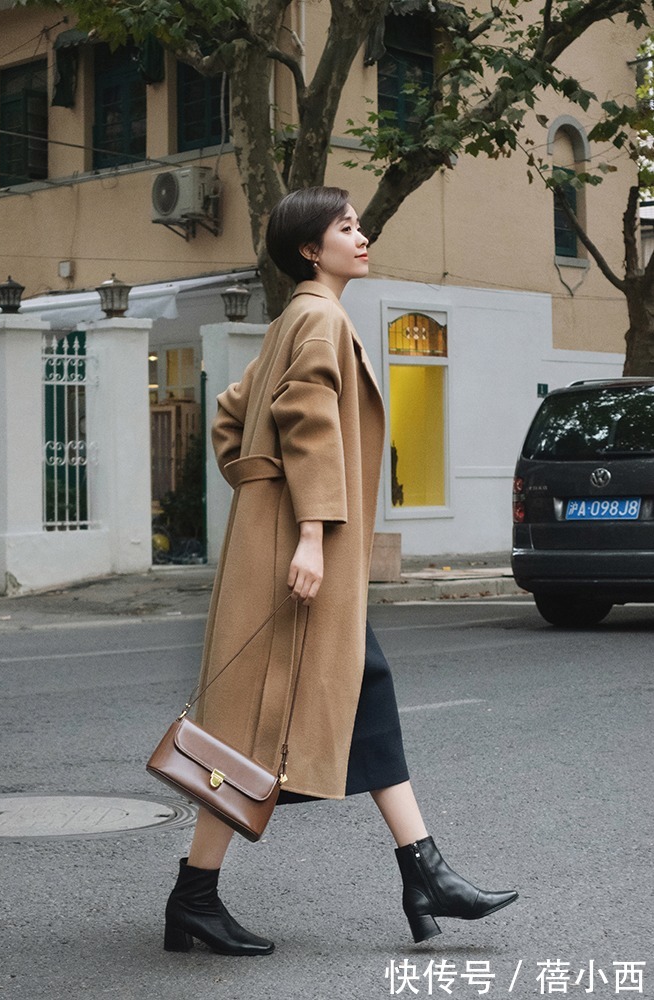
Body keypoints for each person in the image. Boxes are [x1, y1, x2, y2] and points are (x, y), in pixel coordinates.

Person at [163, 186, 517, 956]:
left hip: (282, 540)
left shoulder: (296, 317)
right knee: (254, 731)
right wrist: (310, 534)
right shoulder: (319, 316)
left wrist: (255, 484)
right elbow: (308, 423)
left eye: (359, 226)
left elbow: (233, 411)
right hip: (301, 551)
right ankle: (197, 897)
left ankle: (422, 871)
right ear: (308, 250)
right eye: (346, 228)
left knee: (358, 692)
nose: (362, 237)